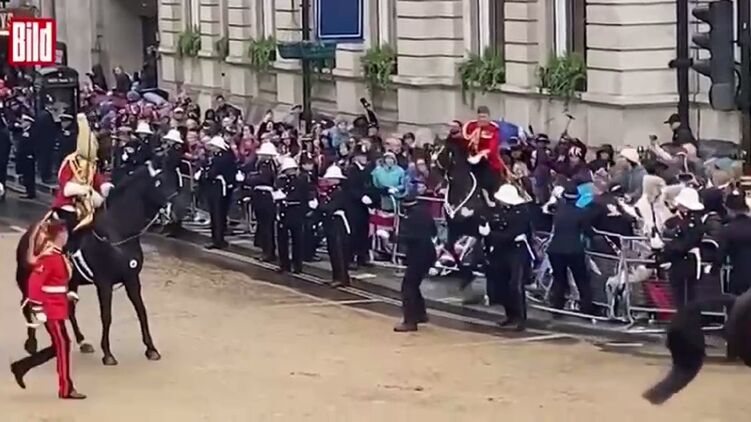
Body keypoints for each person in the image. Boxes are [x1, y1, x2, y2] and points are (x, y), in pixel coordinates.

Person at [10, 214, 86, 400]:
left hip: (57, 305)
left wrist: (67, 294)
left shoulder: (58, 255)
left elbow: (56, 283)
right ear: (58, 235)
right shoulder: (50, 257)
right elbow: (34, 284)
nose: (67, 236)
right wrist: (38, 309)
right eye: (64, 233)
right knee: (63, 346)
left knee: (60, 345)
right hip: (51, 309)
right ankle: (65, 388)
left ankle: (22, 366)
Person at [51, 114, 112, 250]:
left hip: (87, 201)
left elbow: (96, 178)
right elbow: (64, 182)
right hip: (69, 202)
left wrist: (104, 186)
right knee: (72, 221)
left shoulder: (91, 164)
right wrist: (81, 189)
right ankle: (69, 248)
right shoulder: (71, 160)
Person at [480, 184, 533, 330]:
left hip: (517, 251)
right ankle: (510, 315)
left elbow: (512, 234)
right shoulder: (499, 211)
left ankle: (521, 318)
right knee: (502, 284)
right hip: (501, 251)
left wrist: (490, 234)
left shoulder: (521, 213)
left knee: (515, 285)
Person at [385, 194, 436, 332]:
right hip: (428, 252)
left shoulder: (412, 217)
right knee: (414, 284)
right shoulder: (425, 212)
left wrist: (395, 238)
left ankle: (410, 321)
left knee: (408, 286)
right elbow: (433, 231)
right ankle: (420, 314)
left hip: (419, 254)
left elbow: (412, 237)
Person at [547, 183, 595, 315]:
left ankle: (557, 308)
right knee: (581, 279)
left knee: (559, 279)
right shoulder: (581, 213)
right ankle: (586, 309)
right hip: (574, 249)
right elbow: (588, 231)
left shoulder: (558, 211)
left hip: (555, 249)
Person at [656, 187, 705, 309]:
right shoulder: (677, 221)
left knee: (687, 298)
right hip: (677, 263)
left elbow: (686, 243)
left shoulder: (694, 223)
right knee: (679, 298)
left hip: (687, 263)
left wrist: (668, 248)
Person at [274, 157, 316, 273]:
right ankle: (284, 264)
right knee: (282, 239)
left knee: (297, 239)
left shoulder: (302, 180)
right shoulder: (281, 180)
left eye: (292, 169)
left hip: (296, 211)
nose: (290, 172)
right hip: (284, 211)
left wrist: (307, 206)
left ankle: (297, 265)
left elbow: (307, 194)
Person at [198, 136, 237, 250]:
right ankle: (215, 238)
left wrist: (207, 174)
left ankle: (218, 239)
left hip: (220, 188)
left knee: (218, 214)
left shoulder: (224, 158)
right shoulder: (216, 157)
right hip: (214, 187)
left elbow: (215, 172)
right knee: (214, 214)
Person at [461, 105, 506, 196]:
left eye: (484, 117)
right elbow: (465, 141)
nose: (482, 119)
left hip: (489, 162)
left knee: (488, 182)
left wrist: (482, 155)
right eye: (480, 117)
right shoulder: (471, 127)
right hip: (471, 161)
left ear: (489, 117)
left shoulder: (493, 129)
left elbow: (492, 147)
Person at [320, 165, 351, 287]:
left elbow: (331, 207)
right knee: (332, 250)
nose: (328, 180)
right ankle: (336, 276)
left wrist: (322, 207)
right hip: (331, 223)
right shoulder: (332, 191)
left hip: (338, 223)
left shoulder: (340, 192)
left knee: (339, 251)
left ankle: (342, 277)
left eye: (331, 178)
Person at [247, 142, 279, 261]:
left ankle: (268, 252)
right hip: (261, 195)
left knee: (266, 226)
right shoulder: (266, 165)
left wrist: (250, 177)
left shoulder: (267, 165)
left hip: (265, 197)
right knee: (263, 225)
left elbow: (263, 179)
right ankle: (266, 250)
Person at [345, 148, 375, 268]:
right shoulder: (351, 170)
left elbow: (369, 186)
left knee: (364, 231)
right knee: (353, 232)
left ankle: (362, 256)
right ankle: (349, 258)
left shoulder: (366, 170)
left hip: (363, 206)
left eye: (365, 156)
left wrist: (372, 199)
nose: (364, 158)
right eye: (361, 156)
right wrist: (360, 196)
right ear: (356, 157)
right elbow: (350, 188)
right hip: (353, 206)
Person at [16, 113, 36, 199]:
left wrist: (31, 154)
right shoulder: (24, 132)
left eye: (24, 121)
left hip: (28, 156)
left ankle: (30, 193)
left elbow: (33, 144)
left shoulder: (31, 132)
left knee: (29, 175)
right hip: (23, 156)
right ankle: (28, 190)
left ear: (29, 122)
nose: (22, 123)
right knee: (25, 174)